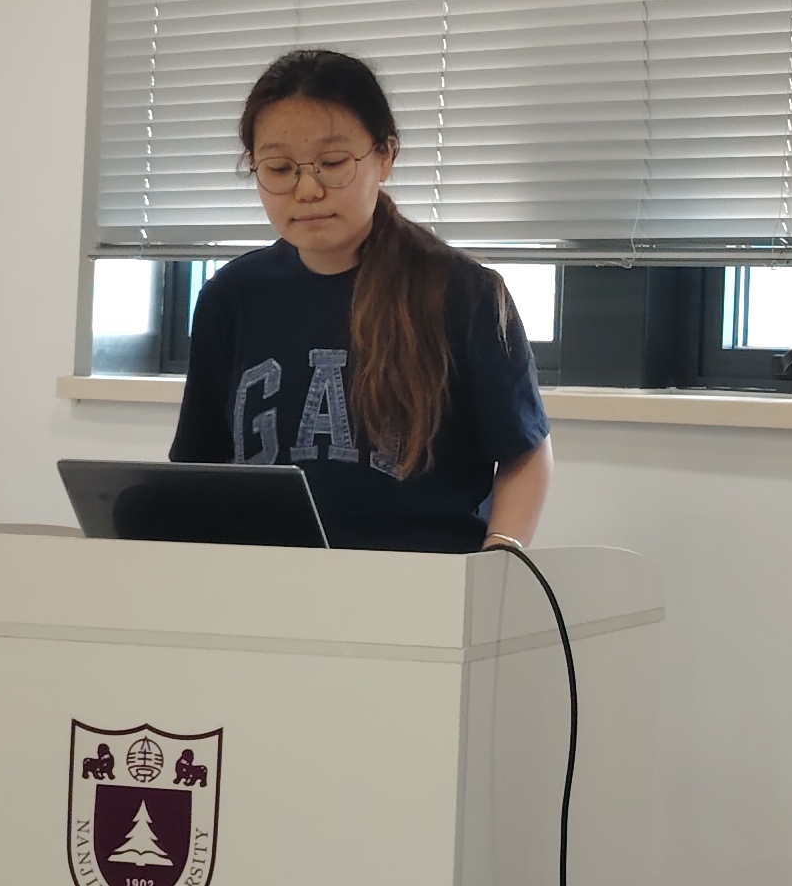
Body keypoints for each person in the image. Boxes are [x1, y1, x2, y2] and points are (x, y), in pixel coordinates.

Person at [169, 47, 550, 552]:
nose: (307, 189)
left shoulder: (465, 294)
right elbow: (199, 467)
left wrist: (499, 556)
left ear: (384, 156)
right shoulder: (231, 296)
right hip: (267, 576)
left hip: (423, 580)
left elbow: (525, 454)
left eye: (332, 163)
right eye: (279, 168)